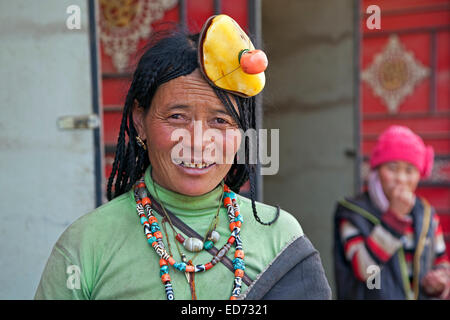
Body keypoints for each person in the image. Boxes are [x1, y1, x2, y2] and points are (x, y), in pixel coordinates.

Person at [34, 15, 331, 300]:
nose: (198, 142)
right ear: (140, 120)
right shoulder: (85, 245)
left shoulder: (281, 239)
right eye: (177, 116)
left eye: (220, 121)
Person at [333, 125, 450, 299]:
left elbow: (440, 263)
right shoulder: (353, 213)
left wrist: (440, 281)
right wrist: (394, 218)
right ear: (377, 171)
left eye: (409, 170)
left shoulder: (427, 215)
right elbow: (364, 269)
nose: (401, 178)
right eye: (392, 168)